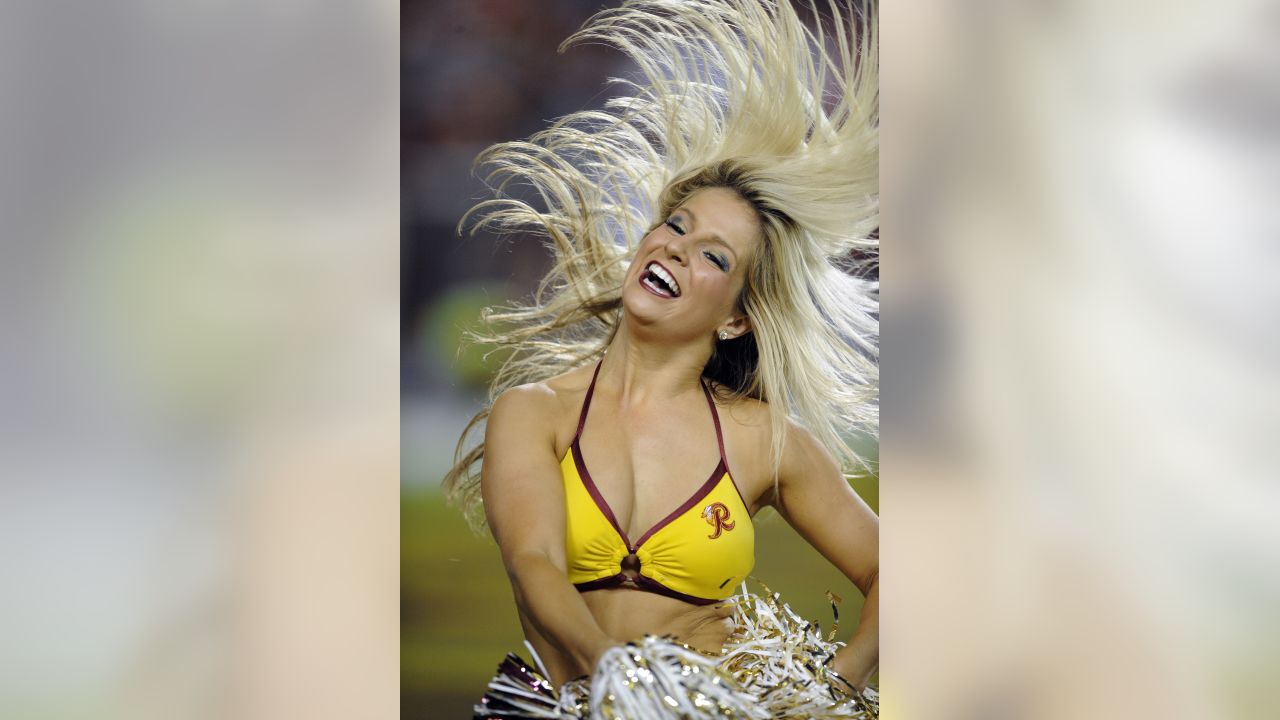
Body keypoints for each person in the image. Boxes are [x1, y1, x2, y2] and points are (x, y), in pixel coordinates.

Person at [443, 1, 878, 716]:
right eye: (675, 224)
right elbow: (535, 566)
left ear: (738, 316)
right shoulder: (533, 412)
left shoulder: (763, 440)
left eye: (713, 255)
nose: (674, 245)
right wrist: (622, 685)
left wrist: (839, 688)